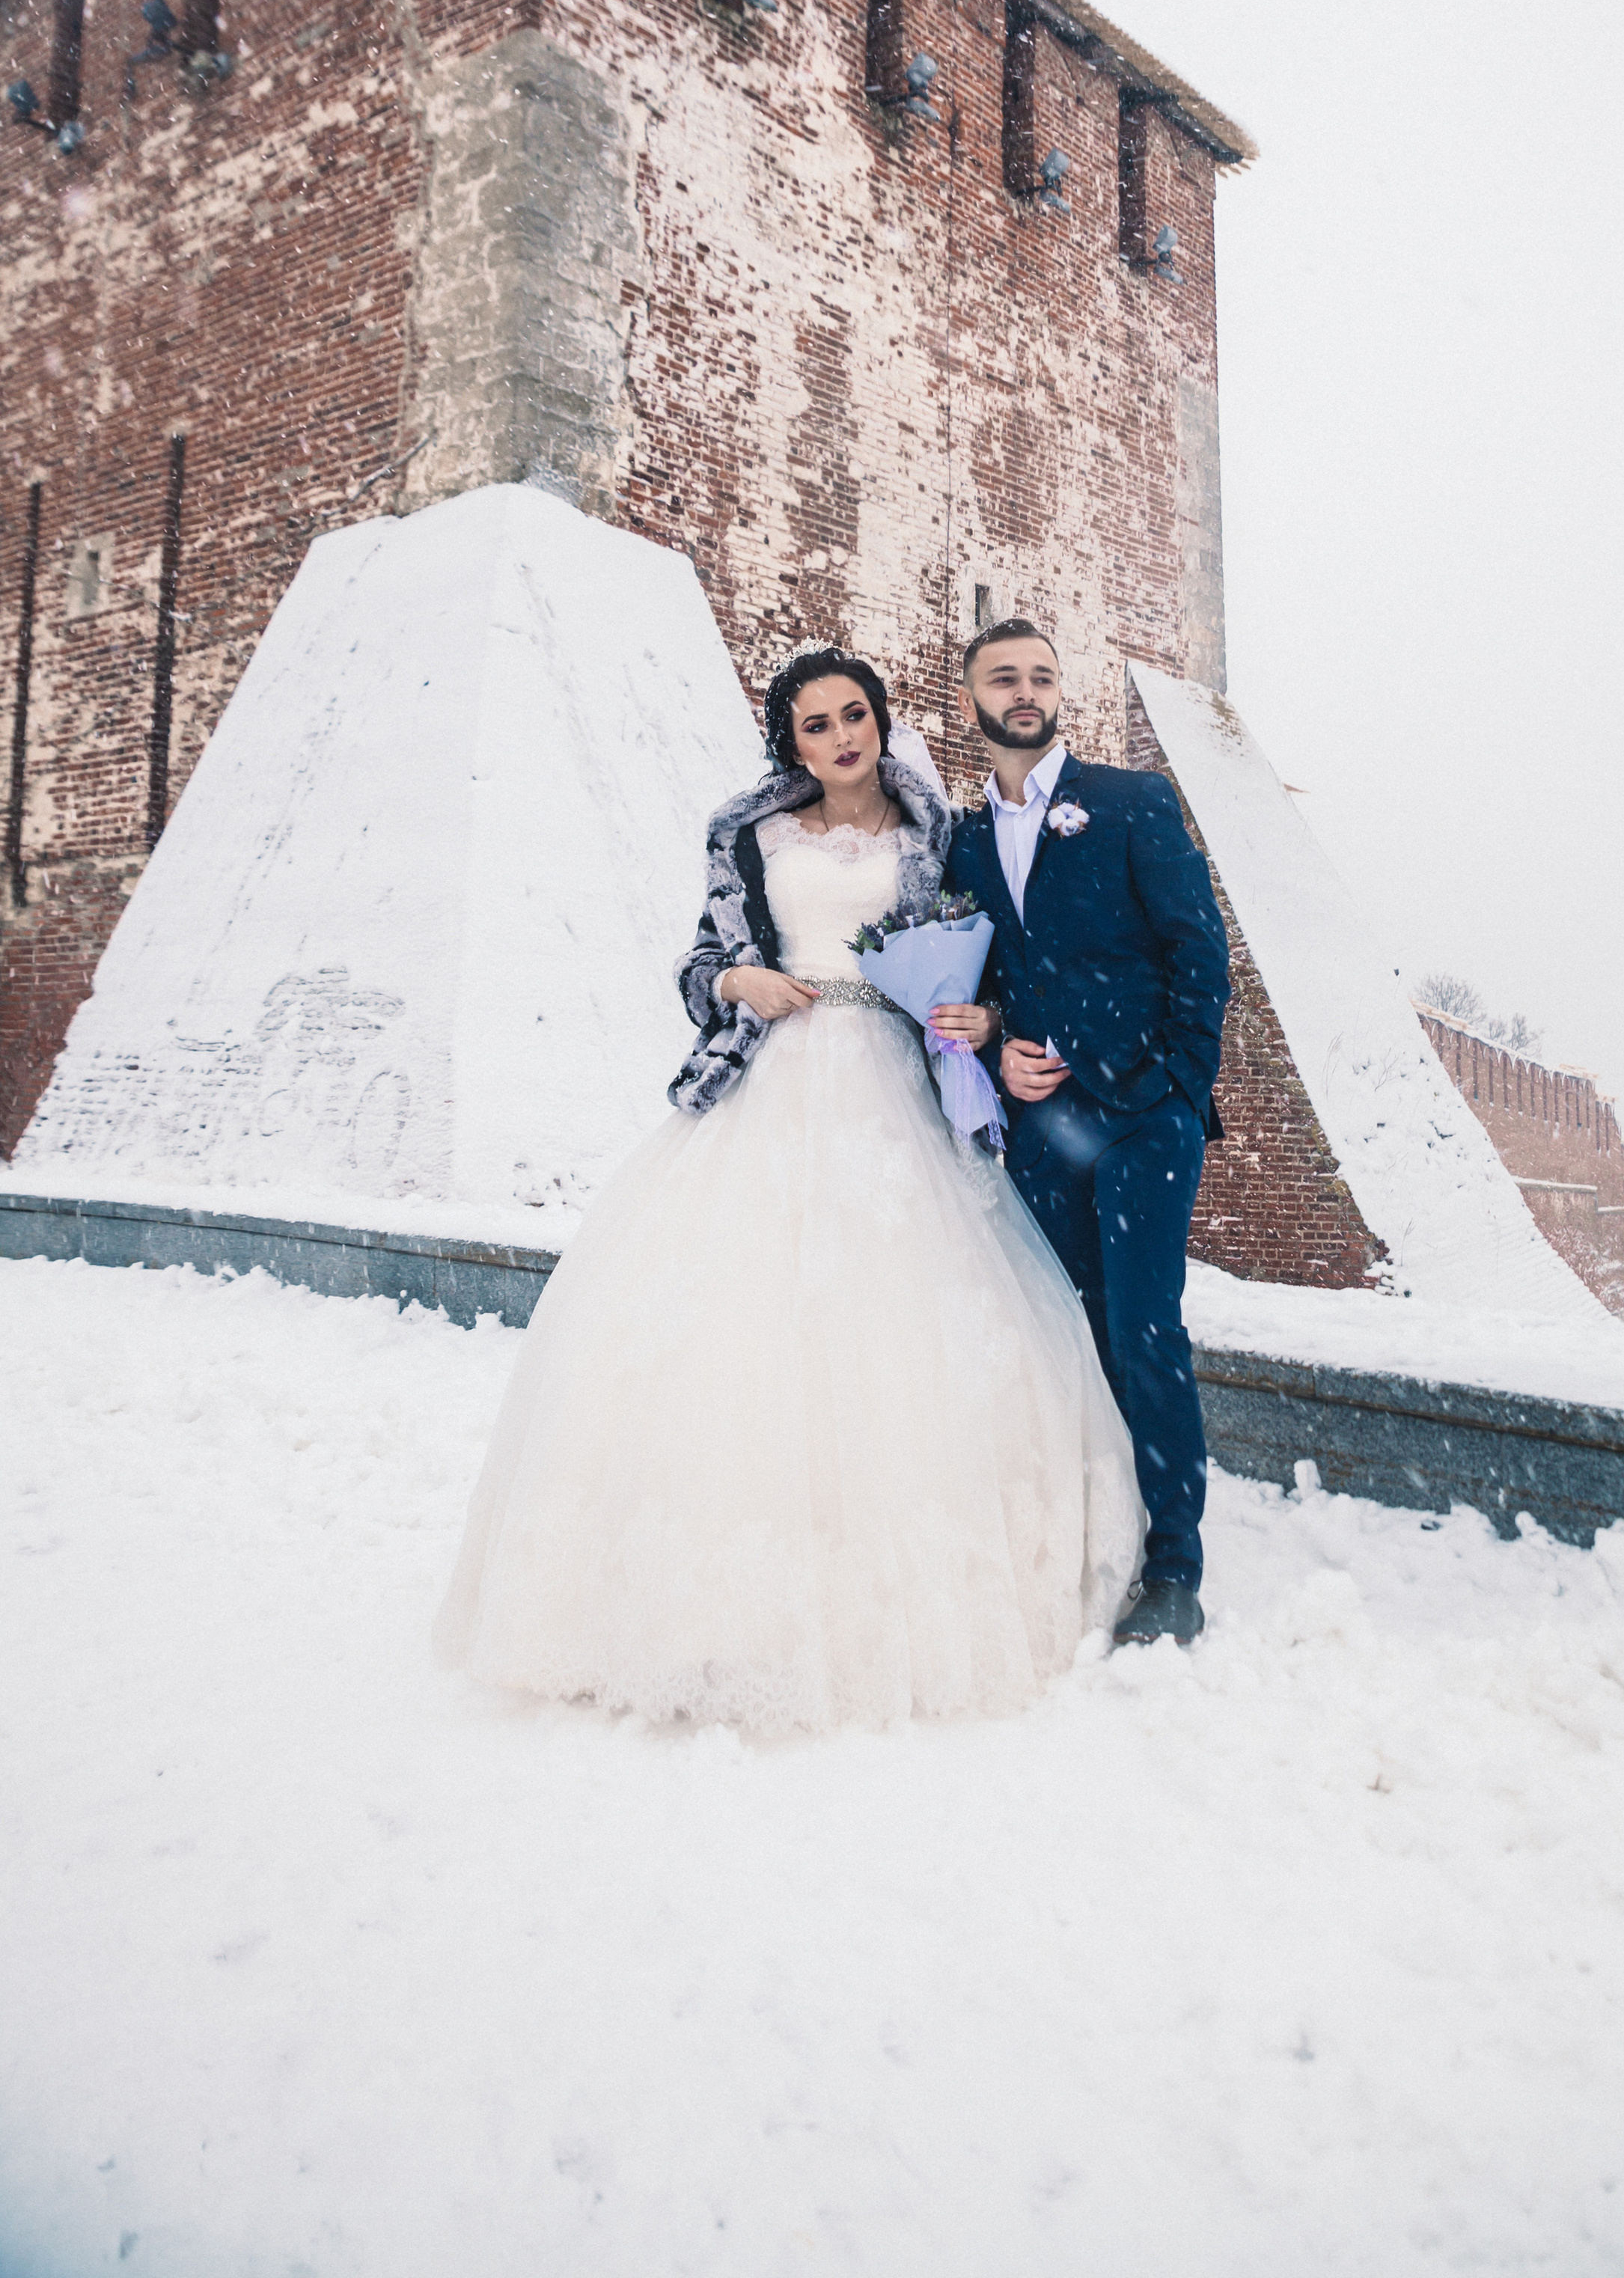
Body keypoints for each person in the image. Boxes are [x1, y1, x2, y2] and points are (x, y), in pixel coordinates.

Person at [434, 645, 1143, 1732]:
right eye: (816, 725)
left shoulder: (934, 835)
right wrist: (734, 979)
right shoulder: (748, 836)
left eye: (854, 715)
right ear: (790, 744)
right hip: (776, 1076)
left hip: (897, 1091)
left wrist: (985, 1021)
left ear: (880, 718)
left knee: (901, 1326)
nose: (842, 738)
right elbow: (694, 967)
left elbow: (988, 968)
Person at [943, 622, 1231, 1647]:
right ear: (970, 694)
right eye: (1003, 678)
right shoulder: (966, 840)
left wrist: (1178, 1092)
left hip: (1145, 1119)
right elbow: (980, 982)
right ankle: (1093, 1526)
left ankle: (1173, 1567)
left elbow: (1201, 951)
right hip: (1042, 1125)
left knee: (1145, 1329)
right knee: (1060, 1327)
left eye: (1041, 677)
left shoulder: (1128, 803)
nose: (1025, 692)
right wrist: (1001, 1047)